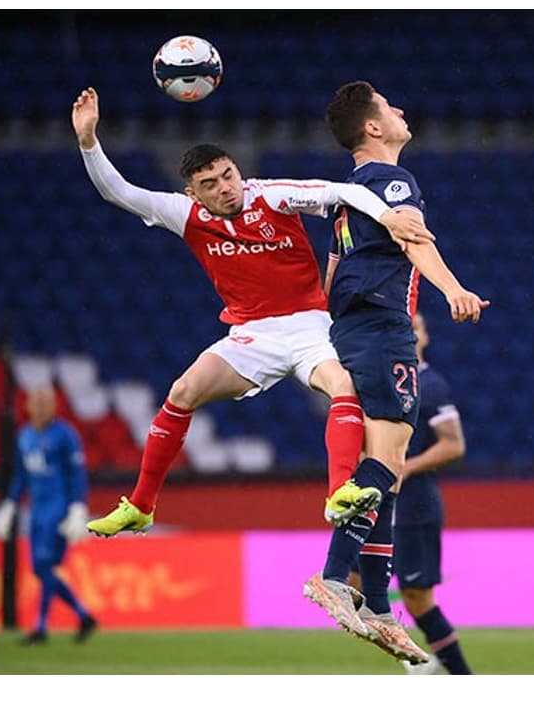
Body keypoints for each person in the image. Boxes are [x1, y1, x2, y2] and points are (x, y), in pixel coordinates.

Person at [69, 87, 435, 536]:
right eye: (210, 184)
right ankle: (142, 506)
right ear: (193, 192)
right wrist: (89, 141)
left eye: (228, 175)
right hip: (251, 335)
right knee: (183, 390)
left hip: (310, 326)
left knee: (342, 385)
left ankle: (340, 490)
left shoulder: (273, 196)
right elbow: (118, 192)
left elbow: (343, 192)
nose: (225, 188)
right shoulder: (184, 214)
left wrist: (389, 216)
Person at [303, 81, 489, 665]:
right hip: (384, 329)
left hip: (352, 330)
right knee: (389, 459)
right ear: (373, 128)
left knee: (384, 469)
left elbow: (332, 273)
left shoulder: (345, 195)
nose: (402, 109)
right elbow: (413, 239)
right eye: (390, 105)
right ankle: (336, 576)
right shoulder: (393, 181)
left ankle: (378, 604)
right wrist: (454, 289)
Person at [349, 310, 472, 674]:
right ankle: (413, 659)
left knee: (417, 598)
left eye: (414, 326)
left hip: (415, 508)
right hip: (375, 504)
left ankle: (462, 676)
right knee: (353, 591)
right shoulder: (377, 383)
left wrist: (401, 468)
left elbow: (453, 445)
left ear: (424, 336)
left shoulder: (431, 385)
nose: (406, 332)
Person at [0, 385, 97, 645]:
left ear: (54, 406)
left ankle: (42, 627)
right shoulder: (24, 436)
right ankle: (81, 616)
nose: (40, 408)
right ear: (27, 406)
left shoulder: (65, 435)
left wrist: (77, 507)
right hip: (37, 511)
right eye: (36, 403)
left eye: (45, 403)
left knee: (42, 565)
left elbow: (77, 474)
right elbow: (21, 476)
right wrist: (10, 506)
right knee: (43, 568)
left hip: (58, 509)